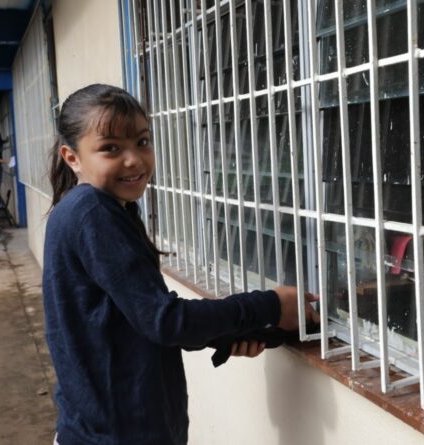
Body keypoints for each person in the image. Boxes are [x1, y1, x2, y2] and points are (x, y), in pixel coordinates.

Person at [43, 84, 318, 445]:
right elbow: (166, 321)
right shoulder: (93, 213)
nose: (134, 159)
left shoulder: (92, 209)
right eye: (110, 148)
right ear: (72, 157)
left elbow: (137, 318)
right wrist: (270, 305)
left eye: (142, 141)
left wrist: (228, 332)